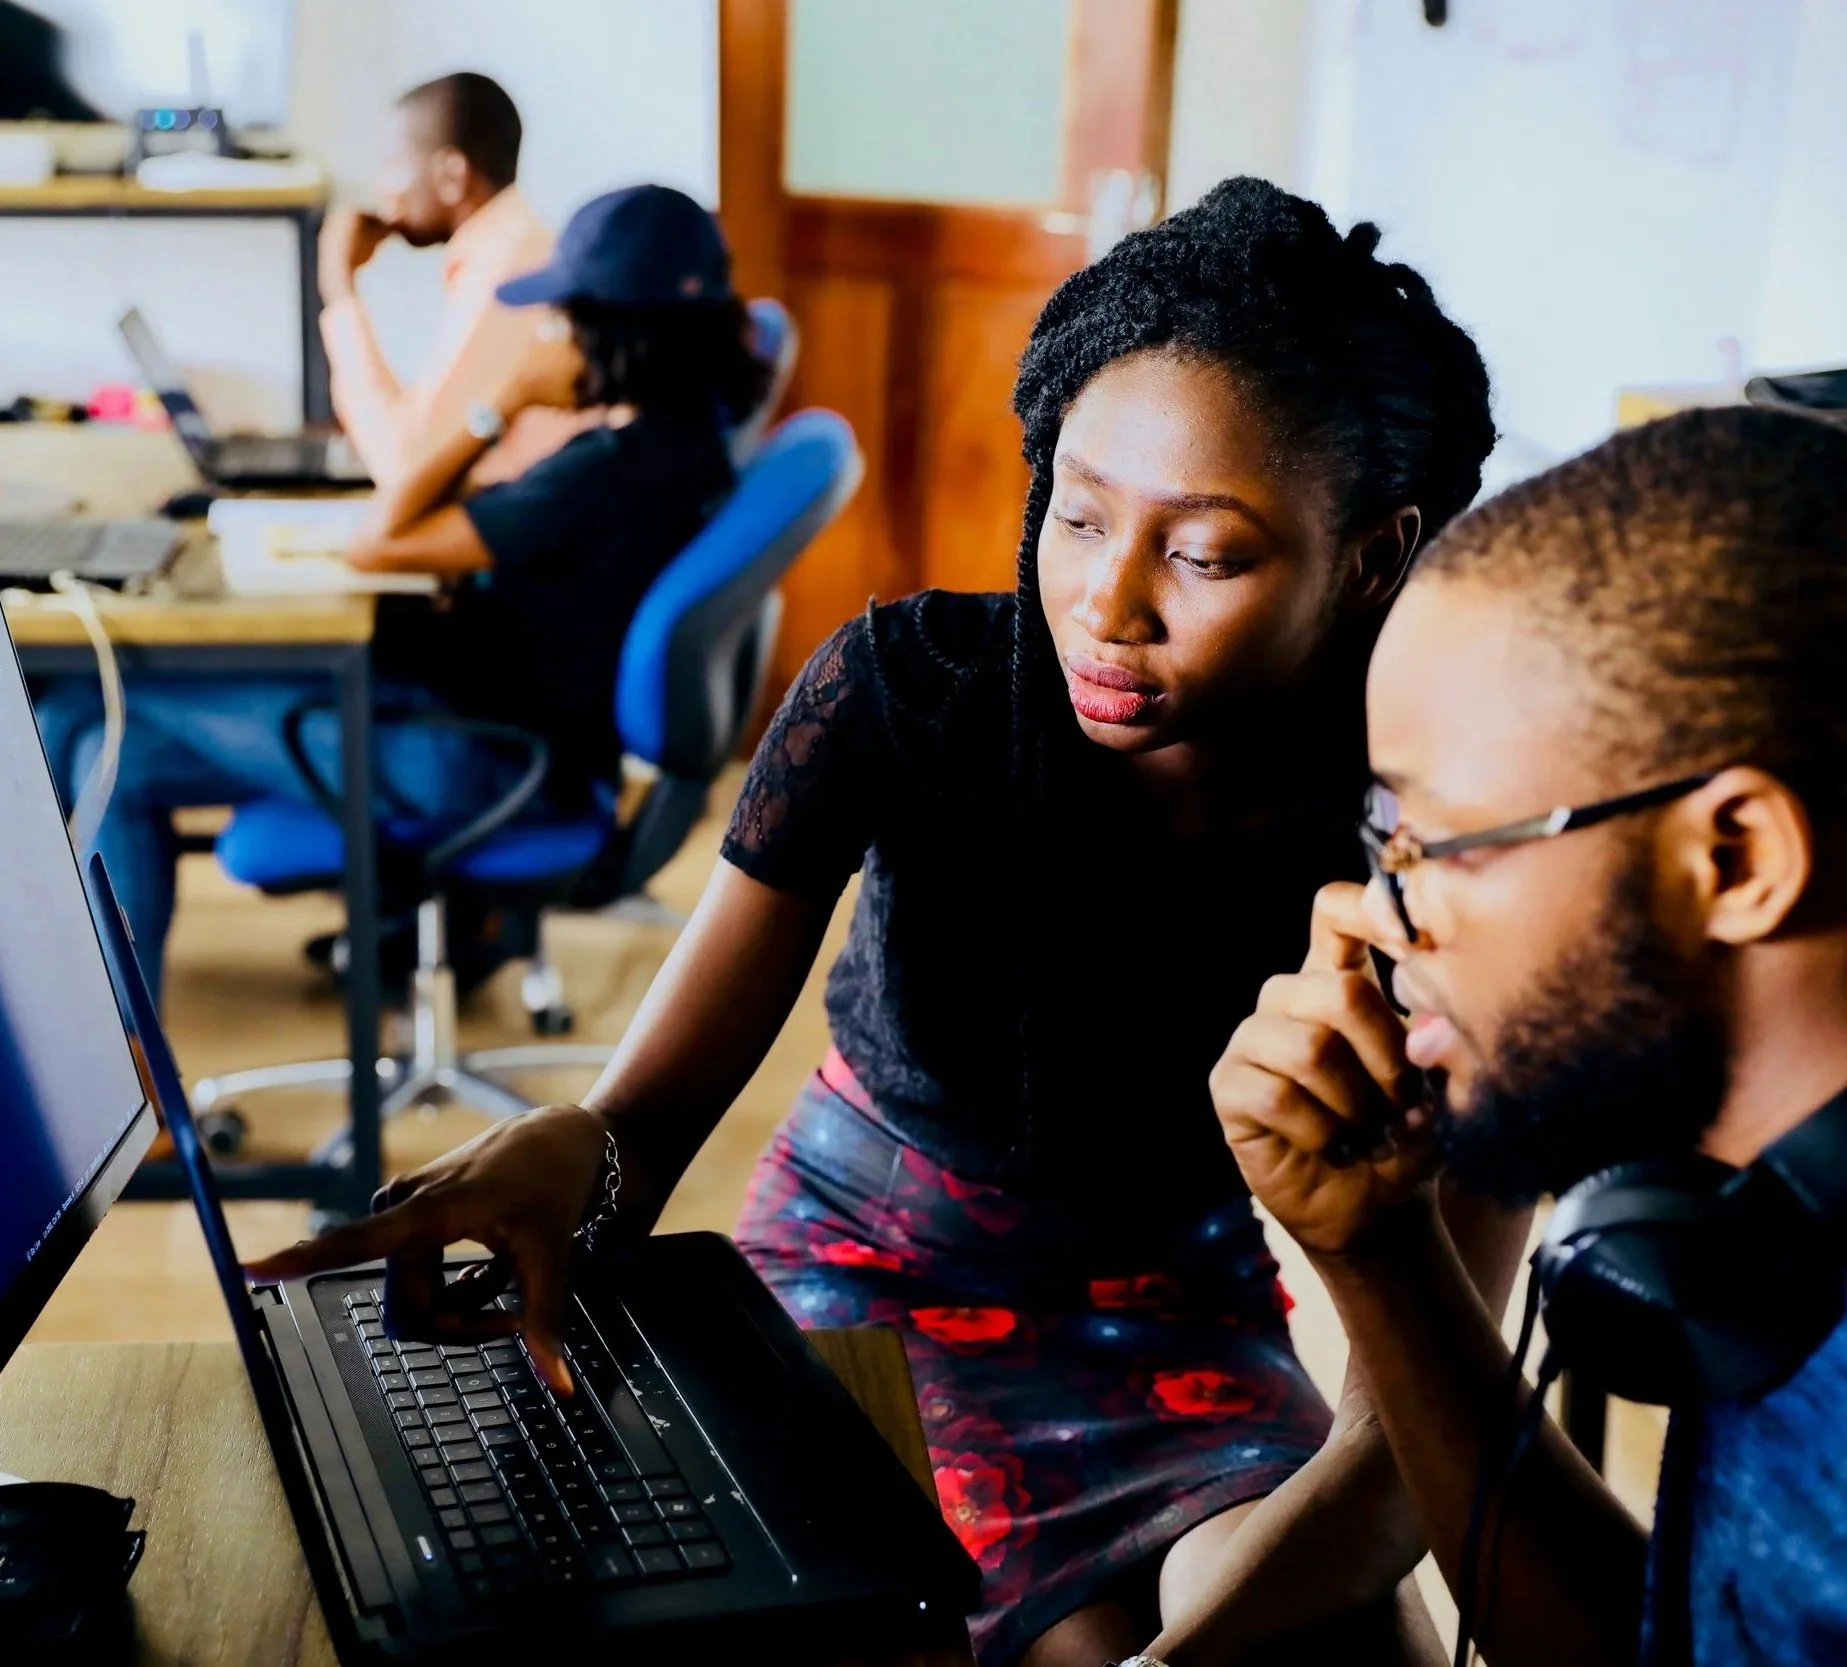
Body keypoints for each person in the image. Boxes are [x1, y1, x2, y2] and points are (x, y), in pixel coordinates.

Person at [252, 177, 1510, 1666]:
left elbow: (1415, 1440)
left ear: (1371, 553)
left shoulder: (1444, 844)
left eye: (1201, 552)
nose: (1103, 600)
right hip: (857, 1284)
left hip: (1172, 1331)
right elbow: (641, 1122)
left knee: (1350, 1643)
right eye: (1078, 511)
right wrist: (569, 1151)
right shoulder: (906, 695)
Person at [1210, 406, 1847, 1666]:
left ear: (1732, 859)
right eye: (1376, 833)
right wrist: (1380, 1254)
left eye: (1431, 844)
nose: (1368, 915)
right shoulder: (1750, 1228)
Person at [34, 185, 765, 1002]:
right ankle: (125, 1053)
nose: (545, 333)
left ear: (613, 328)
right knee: (87, 727)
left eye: (560, 315)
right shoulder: (687, 444)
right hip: (497, 732)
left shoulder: (606, 472)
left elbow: (382, 537)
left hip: (474, 759)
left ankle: (129, 1067)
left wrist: (501, 403)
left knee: (89, 727)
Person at [320, 71, 592, 488]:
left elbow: (407, 467)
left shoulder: (505, 270)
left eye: (394, 165)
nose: (381, 189)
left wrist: (339, 290)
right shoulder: (513, 246)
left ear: (452, 175)